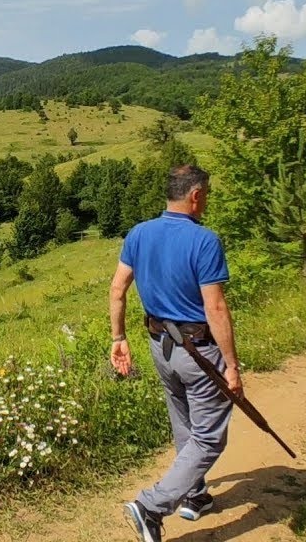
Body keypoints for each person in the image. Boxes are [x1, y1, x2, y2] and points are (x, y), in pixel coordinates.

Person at [109, 164, 241, 542]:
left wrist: (118, 338)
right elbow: (215, 308)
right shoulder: (204, 240)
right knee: (210, 437)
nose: (207, 202)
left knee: (185, 426)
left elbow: (118, 290)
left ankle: (195, 496)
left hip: (160, 348)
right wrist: (231, 365)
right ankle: (151, 506)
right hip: (198, 351)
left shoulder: (139, 233)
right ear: (195, 195)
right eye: (207, 195)